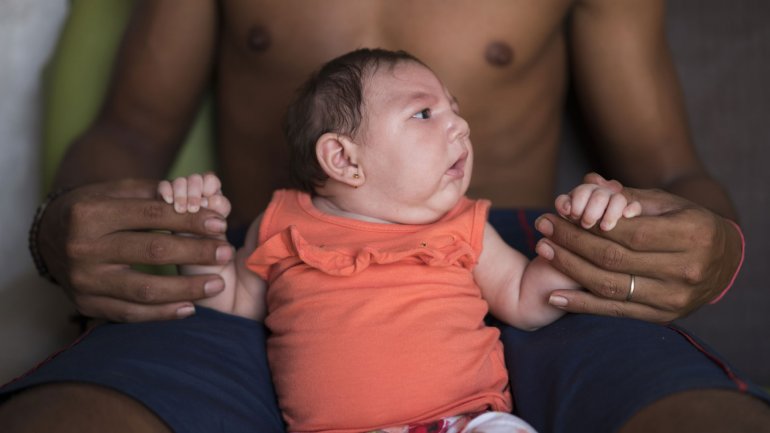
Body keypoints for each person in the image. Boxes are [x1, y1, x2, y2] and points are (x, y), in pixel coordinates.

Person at [1, 1, 769, 432]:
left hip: (527, 262)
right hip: (268, 271)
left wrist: (718, 248)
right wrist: (61, 227)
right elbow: (128, 129)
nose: (455, 126)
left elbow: (671, 169)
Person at [158, 48, 642, 432]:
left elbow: (526, 300)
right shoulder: (283, 222)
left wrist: (585, 227)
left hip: (467, 421)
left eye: (455, 110)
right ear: (344, 161)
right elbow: (233, 303)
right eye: (424, 114)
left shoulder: (463, 222)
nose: (460, 125)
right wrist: (195, 234)